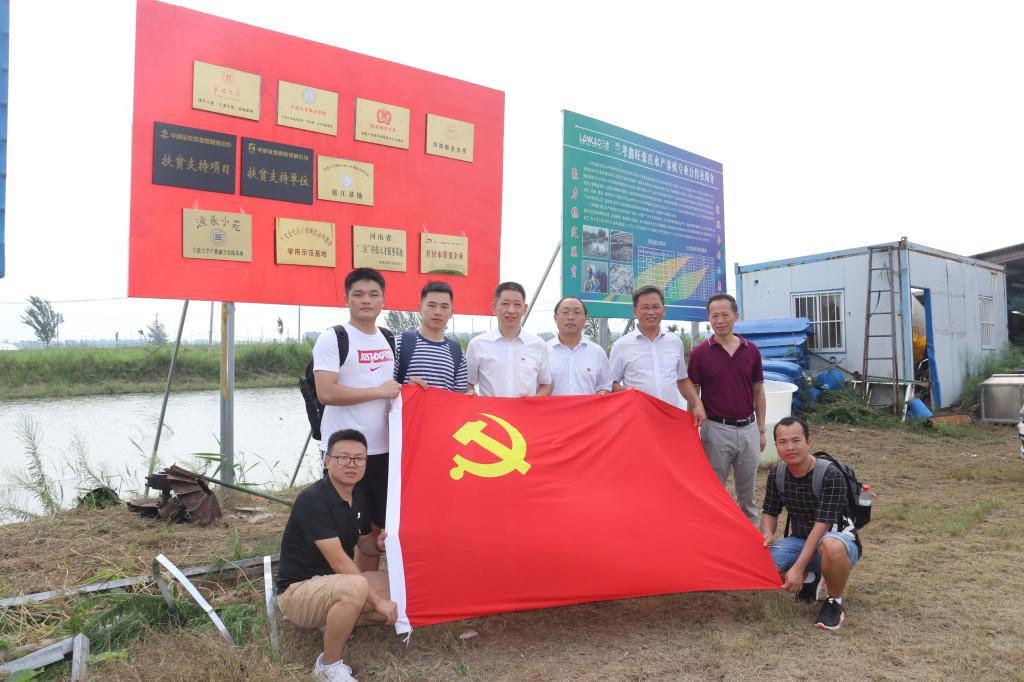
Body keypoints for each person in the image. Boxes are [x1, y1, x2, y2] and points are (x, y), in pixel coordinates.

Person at [276, 429, 398, 682]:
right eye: (343, 457)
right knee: (356, 586)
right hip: (298, 591)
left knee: (402, 591)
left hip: (335, 585)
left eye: (359, 458)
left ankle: (335, 622)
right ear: (327, 461)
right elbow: (339, 562)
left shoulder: (358, 495)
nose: (351, 464)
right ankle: (328, 666)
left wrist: (379, 544)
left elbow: (364, 544)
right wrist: (378, 602)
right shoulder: (313, 500)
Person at [313, 267, 398, 571]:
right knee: (343, 526)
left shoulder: (388, 338)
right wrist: (377, 392)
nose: (366, 300)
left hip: (384, 449)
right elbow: (326, 392)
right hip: (346, 452)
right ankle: (338, 588)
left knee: (376, 528)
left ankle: (369, 587)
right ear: (346, 299)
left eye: (374, 294)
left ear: (383, 300)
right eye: (358, 294)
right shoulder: (333, 338)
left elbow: (392, 387)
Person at [760, 416, 861, 631]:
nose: (790, 447)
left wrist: (796, 568)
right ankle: (811, 578)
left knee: (830, 545)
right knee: (760, 566)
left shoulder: (830, 475)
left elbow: (821, 527)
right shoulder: (777, 473)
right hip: (800, 541)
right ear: (776, 445)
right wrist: (768, 533)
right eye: (783, 442)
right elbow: (769, 511)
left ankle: (834, 601)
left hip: (837, 543)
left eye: (796, 440)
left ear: (809, 442)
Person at [688, 293, 766, 524]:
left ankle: (750, 538)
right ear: (709, 318)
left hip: (749, 429)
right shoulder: (700, 354)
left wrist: (761, 430)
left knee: (748, 496)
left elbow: (758, 391)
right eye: (715, 316)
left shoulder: (751, 350)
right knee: (713, 492)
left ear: (736, 316)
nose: (720, 320)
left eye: (725, 315)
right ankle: (713, 536)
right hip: (716, 430)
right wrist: (692, 429)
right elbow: (693, 395)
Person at [609, 285, 705, 425]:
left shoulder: (675, 342)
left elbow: (682, 380)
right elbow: (610, 383)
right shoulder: (621, 346)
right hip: (638, 421)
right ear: (635, 311)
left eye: (656, 307)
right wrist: (625, 391)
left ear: (663, 310)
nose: (651, 312)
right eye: (645, 307)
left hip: (670, 419)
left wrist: (697, 403)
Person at [466, 281, 552, 397]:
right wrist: (471, 392)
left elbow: (546, 384)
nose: (511, 310)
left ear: (525, 309)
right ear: (494, 308)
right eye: (505, 304)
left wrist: (534, 400)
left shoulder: (539, 345)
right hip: (490, 409)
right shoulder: (477, 344)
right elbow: (468, 383)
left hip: (525, 409)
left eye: (517, 304)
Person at [393, 281, 468, 392]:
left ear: (452, 312)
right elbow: (385, 389)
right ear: (419, 308)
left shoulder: (458, 353)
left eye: (444, 307)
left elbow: (459, 398)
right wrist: (407, 389)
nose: (438, 312)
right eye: (431, 305)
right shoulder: (399, 344)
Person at [547, 296, 612, 395]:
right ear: (555, 318)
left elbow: (605, 385)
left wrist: (602, 393)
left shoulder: (597, 352)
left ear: (585, 319)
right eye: (565, 312)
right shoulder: (543, 351)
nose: (570, 317)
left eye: (576, 313)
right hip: (553, 406)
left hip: (589, 406)